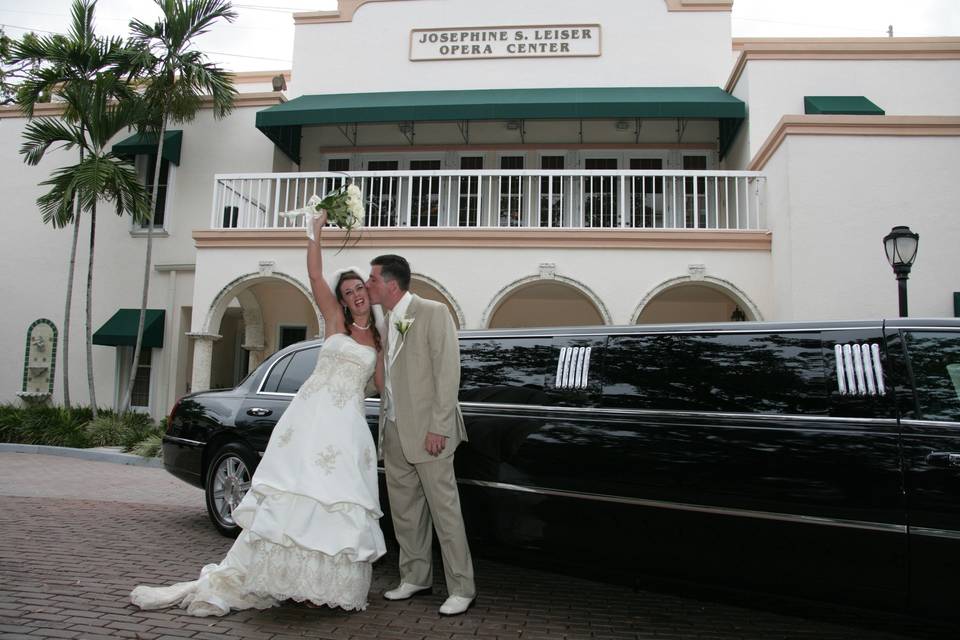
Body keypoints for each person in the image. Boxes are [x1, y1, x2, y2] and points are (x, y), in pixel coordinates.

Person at [130, 211, 386, 616]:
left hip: (347, 428)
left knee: (334, 502)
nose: (356, 294)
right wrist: (314, 231)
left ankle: (316, 583)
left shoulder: (378, 339)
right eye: (350, 289)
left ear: (369, 296)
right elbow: (316, 276)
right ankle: (281, 578)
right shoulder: (335, 321)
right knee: (295, 497)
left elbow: (384, 386)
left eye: (361, 289)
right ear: (342, 298)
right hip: (311, 419)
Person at [365, 255, 476, 616]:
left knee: (445, 513)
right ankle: (415, 576)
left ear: (391, 285)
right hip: (395, 429)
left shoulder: (433, 312)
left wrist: (439, 428)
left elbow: (447, 375)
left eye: (372, 280)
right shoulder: (384, 321)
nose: (368, 285)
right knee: (405, 510)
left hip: (430, 431)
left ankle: (462, 587)